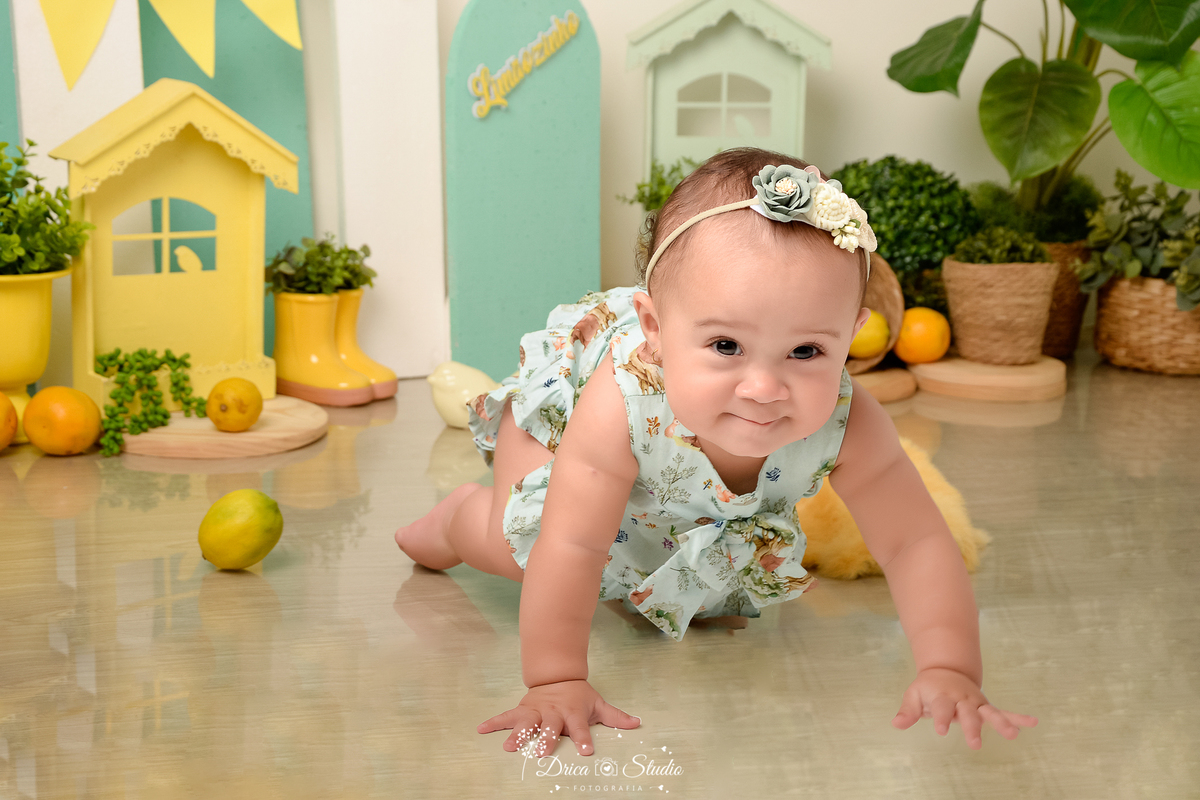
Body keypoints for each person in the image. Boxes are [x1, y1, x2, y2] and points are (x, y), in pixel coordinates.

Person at [396, 147, 1037, 758]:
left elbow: (915, 542)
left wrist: (950, 666)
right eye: (726, 345)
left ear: (852, 339)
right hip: (561, 433)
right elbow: (574, 545)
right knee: (528, 550)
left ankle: (641, 576)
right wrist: (555, 680)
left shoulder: (851, 420)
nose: (763, 388)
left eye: (807, 352)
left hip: (669, 488)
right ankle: (458, 518)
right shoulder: (620, 399)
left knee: (669, 556)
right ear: (655, 330)